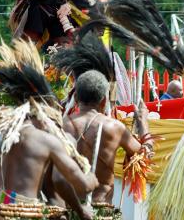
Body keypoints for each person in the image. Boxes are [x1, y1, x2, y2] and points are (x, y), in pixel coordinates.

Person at [0, 39, 98, 218]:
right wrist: (92, 179)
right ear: (44, 114)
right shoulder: (46, 141)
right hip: (23, 215)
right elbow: (81, 184)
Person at [57, 70, 154, 219]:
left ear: (75, 98)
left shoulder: (60, 126)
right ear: (104, 100)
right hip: (99, 212)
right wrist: (143, 123)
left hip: (69, 211)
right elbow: (144, 155)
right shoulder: (113, 128)